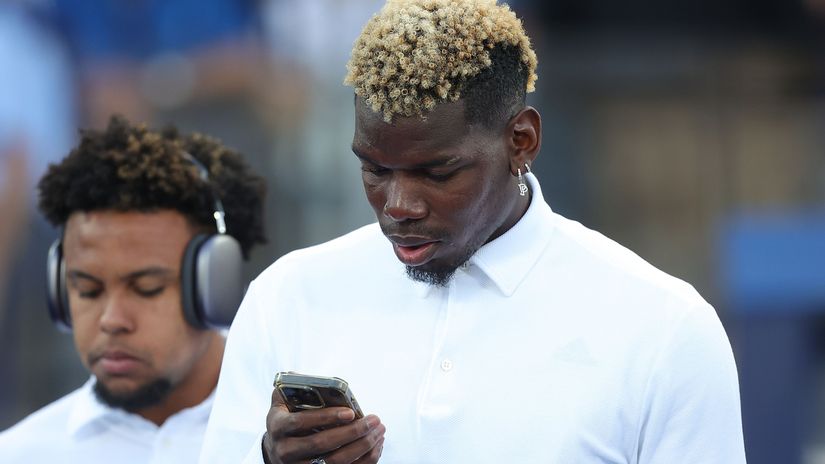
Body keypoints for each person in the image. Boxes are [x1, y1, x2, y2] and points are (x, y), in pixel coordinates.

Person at [199, 0, 746, 462]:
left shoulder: (665, 327)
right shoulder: (287, 296)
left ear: (522, 141)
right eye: (374, 169)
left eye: (438, 173)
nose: (400, 205)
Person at [0, 115, 266, 462]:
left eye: (147, 288)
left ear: (214, 288)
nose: (112, 320)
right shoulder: (20, 453)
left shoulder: (302, 435)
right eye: (88, 289)